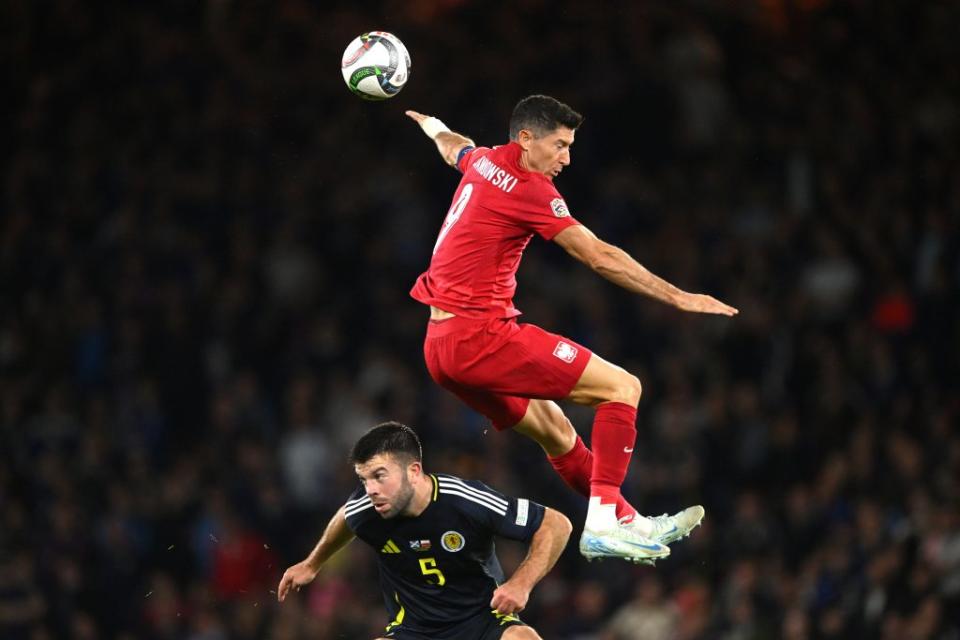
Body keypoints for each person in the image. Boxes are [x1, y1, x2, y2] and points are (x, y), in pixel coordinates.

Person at [405, 95, 738, 564]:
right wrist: (679, 297)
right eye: (559, 145)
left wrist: (432, 124)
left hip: (440, 349)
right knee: (623, 387)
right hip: (479, 336)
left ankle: (625, 519)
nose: (566, 158)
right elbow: (598, 255)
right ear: (525, 139)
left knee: (558, 433)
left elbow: (453, 147)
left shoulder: (482, 162)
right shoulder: (531, 189)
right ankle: (601, 525)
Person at [278, 421, 571, 640]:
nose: (371, 490)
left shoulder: (464, 501)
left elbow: (556, 524)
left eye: (380, 476)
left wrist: (521, 583)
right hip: (413, 631)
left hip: (483, 623)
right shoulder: (367, 507)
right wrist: (312, 563)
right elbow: (346, 515)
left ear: (414, 471)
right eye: (364, 480)